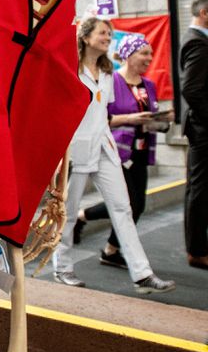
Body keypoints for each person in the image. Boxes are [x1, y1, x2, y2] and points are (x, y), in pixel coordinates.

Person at [52, 16, 174, 294]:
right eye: (103, 33)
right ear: (85, 37)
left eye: (109, 34)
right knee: (68, 214)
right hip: (77, 147)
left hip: (104, 145)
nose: (108, 38)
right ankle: (63, 268)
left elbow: (103, 112)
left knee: (123, 208)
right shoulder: (71, 68)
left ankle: (142, 274)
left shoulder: (107, 71)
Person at [74, 34, 165, 263]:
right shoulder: (111, 81)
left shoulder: (149, 85)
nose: (149, 58)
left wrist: (161, 120)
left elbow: (151, 114)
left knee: (138, 206)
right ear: (128, 55)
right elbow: (99, 117)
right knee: (129, 203)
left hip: (141, 151)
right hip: (115, 150)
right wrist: (130, 119)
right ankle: (89, 226)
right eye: (144, 53)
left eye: (151, 53)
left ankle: (109, 248)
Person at [183, 0, 208, 270]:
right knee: (199, 191)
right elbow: (191, 88)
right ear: (205, 13)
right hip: (203, 130)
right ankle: (197, 250)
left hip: (201, 127)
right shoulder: (197, 43)